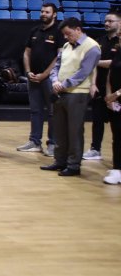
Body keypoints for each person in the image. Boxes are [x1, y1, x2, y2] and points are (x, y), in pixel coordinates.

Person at [40, 17, 101, 177]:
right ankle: (60, 161)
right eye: (64, 34)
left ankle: (74, 165)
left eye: (68, 34)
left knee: (74, 131)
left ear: (78, 30)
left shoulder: (92, 47)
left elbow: (84, 72)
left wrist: (64, 84)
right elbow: (57, 66)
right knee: (59, 130)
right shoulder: (67, 45)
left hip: (78, 93)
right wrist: (54, 80)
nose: (65, 37)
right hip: (60, 92)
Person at [17, 3, 63, 155]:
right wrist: (28, 71)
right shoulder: (34, 30)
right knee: (35, 111)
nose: (43, 14)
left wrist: (45, 74)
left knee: (52, 111)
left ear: (54, 14)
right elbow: (26, 53)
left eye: (47, 12)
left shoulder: (59, 32)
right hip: (33, 77)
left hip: (50, 78)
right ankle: (35, 142)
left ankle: (53, 143)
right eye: (42, 11)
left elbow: (59, 57)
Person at [83, 11, 119, 162]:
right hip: (99, 87)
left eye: (110, 21)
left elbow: (114, 63)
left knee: (117, 124)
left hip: (116, 90)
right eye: (105, 21)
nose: (106, 23)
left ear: (119, 23)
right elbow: (93, 65)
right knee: (97, 120)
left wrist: (97, 62)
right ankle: (95, 149)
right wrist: (92, 84)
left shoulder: (119, 42)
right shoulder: (99, 41)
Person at [102, 25, 121, 185]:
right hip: (114, 101)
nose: (119, 36)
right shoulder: (118, 51)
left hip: (117, 97)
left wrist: (116, 95)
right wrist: (109, 95)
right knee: (117, 135)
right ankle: (117, 169)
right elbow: (111, 72)